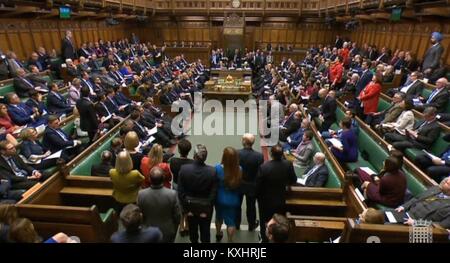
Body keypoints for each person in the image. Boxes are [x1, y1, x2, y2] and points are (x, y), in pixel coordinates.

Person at [256, 144, 296, 243]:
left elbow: (258, 185)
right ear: (282, 154)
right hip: (281, 199)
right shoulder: (288, 164)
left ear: (271, 154)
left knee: (264, 221)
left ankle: (264, 239)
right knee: (279, 222)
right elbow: (293, 180)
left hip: (266, 201)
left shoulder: (264, 167)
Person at [178, 144, 217, 243]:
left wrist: (187, 208)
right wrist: (206, 207)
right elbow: (213, 193)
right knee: (205, 232)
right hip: (205, 209)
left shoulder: (184, 169)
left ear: (194, 155)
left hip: (190, 208)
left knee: (193, 232)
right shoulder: (212, 171)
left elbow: (181, 192)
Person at [137, 167, 181, 243]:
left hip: (147, 231)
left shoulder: (141, 194)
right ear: (163, 178)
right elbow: (177, 216)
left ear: (150, 179)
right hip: (167, 231)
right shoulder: (172, 194)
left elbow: (139, 214)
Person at [214, 147, 242, 243]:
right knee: (231, 222)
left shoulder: (217, 168)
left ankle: (218, 233)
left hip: (220, 198)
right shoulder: (239, 169)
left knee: (219, 217)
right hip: (233, 199)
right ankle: (230, 240)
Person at [236, 134, 263, 232]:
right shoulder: (259, 156)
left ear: (243, 142)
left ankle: (236, 224)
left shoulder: (237, 153)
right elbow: (260, 173)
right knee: (251, 207)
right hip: (252, 185)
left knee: (237, 205)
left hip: (239, 184)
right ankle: (251, 225)